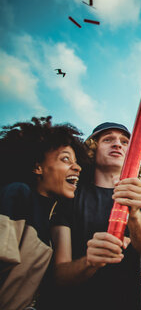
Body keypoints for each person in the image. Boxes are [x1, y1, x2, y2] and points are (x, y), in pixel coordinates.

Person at [40, 122, 141, 310]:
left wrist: (134, 212)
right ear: (92, 150)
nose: (117, 144)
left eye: (125, 142)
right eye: (108, 139)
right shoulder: (70, 194)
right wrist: (89, 262)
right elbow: (60, 274)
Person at [0, 116, 85, 309]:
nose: (77, 167)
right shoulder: (17, 195)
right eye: (65, 159)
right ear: (38, 167)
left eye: (77, 161)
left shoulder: (51, 221)